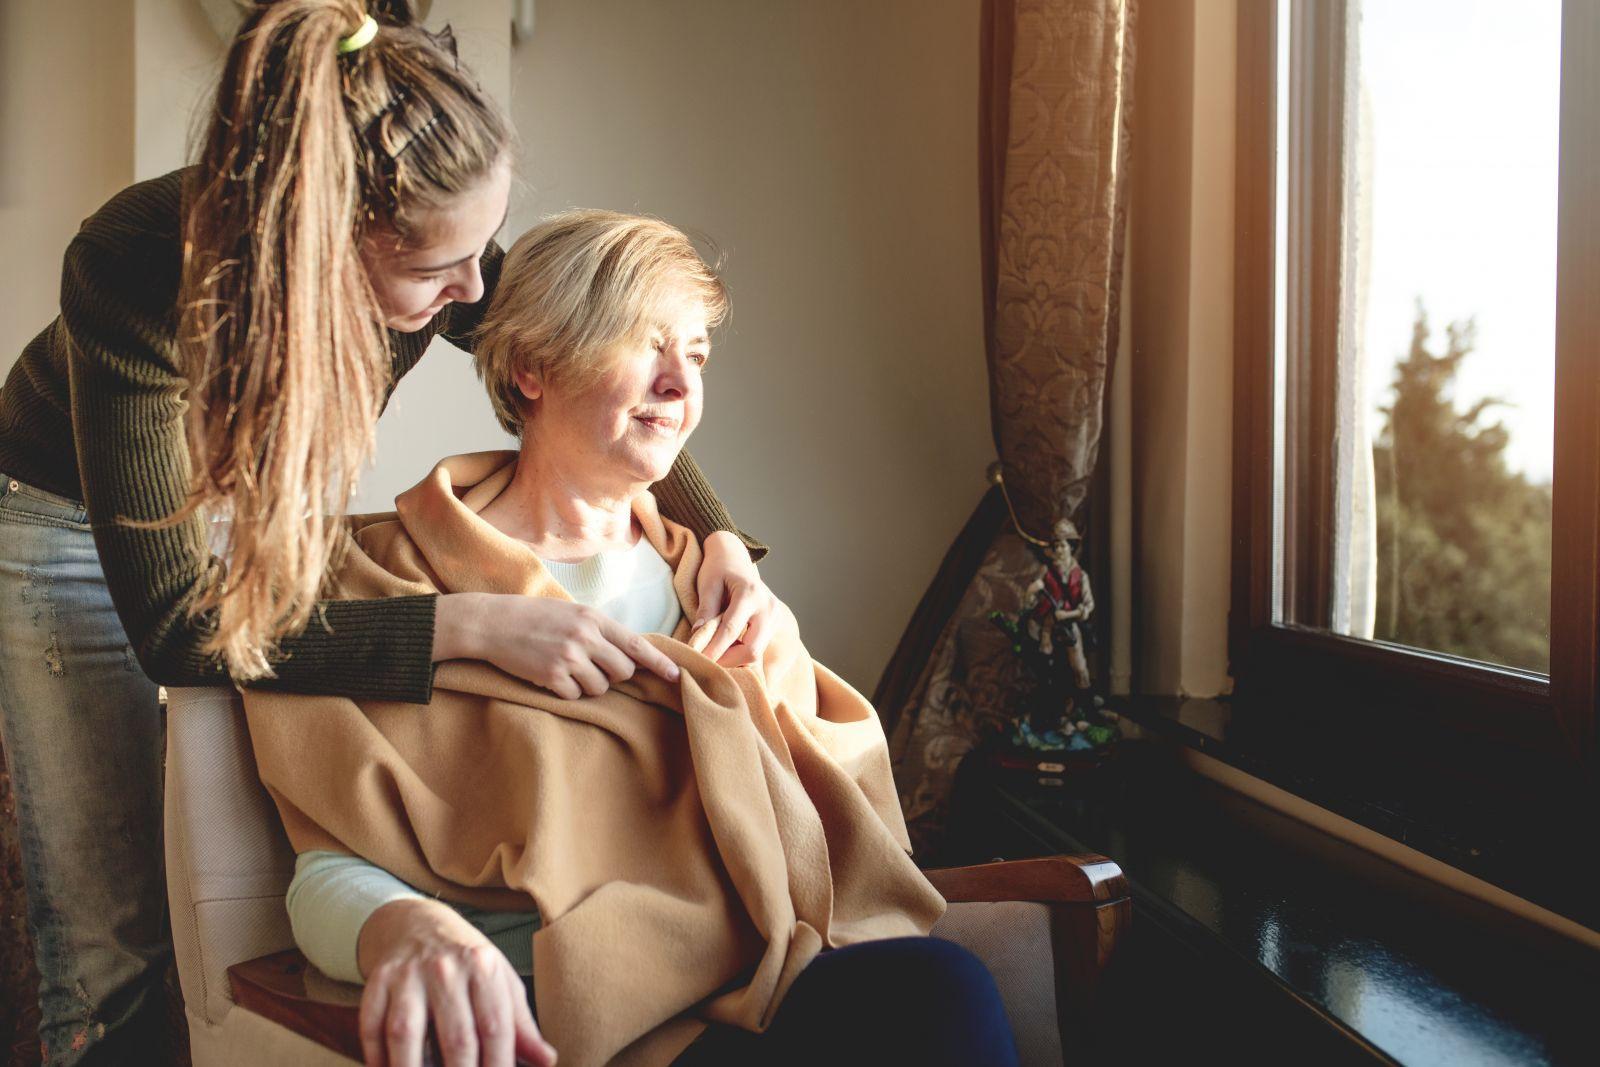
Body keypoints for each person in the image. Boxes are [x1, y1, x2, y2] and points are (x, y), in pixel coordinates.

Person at [0, 4, 777, 1063]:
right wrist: (460, 625)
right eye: (436, 275)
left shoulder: (433, 232)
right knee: (118, 942)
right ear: (319, 244)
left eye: (479, 251)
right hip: (67, 524)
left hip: (253, 504)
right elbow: (182, 628)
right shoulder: (133, 271)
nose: (471, 295)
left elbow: (565, 342)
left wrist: (716, 528)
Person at [256, 210, 1020, 1067]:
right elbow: (326, 869)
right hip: (562, 1015)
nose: (680, 385)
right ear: (533, 367)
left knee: (941, 988)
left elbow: (833, 839)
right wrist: (402, 925)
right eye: (643, 343)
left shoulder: (722, 593)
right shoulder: (388, 585)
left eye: (694, 354)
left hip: (760, 982)